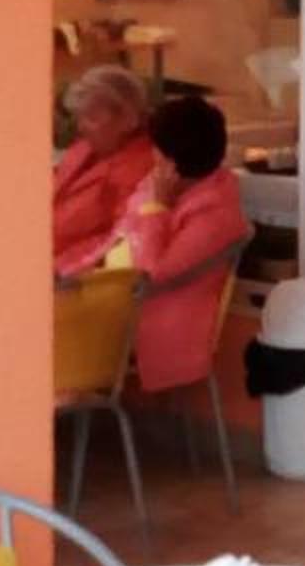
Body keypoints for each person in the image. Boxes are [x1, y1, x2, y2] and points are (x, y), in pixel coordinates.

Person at [81, 94, 250, 394]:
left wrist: (157, 208)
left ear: (170, 162)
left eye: (155, 150)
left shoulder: (214, 216)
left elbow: (151, 275)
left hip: (144, 318)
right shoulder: (163, 184)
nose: (151, 156)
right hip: (105, 297)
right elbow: (119, 234)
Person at [52, 66, 155, 272]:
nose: (81, 127)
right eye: (79, 116)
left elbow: (116, 242)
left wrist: (56, 269)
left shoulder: (142, 171)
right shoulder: (86, 147)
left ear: (128, 120)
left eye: (92, 118)